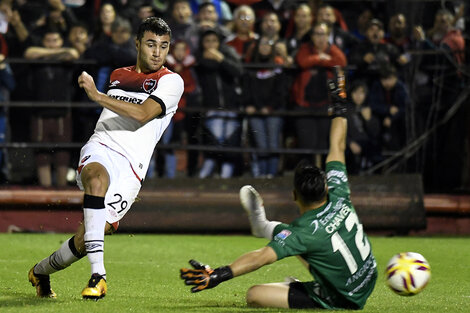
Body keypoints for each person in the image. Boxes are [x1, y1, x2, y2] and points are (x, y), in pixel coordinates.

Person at [180, 69, 377, 309]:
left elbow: (261, 257)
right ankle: (262, 226)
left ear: (294, 196)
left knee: (255, 294)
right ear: (326, 188)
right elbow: (337, 144)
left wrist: (219, 274)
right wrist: (340, 107)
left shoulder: (302, 232)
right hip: (369, 280)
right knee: (305, 243)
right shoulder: (339, 193)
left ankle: (263, 226)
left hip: (344, 299)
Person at [28, 17, 183, 299]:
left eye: (164, 46)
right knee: (96, 180)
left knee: (90, 235)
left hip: (132, 168)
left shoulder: (172, 81)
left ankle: (40, 272)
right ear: (137, 44)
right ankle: (98, 276)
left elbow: (141, 114)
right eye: (151, 44)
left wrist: (97, 95)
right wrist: (100, 95)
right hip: (102, 146)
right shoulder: (118, 74)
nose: (157, 52)